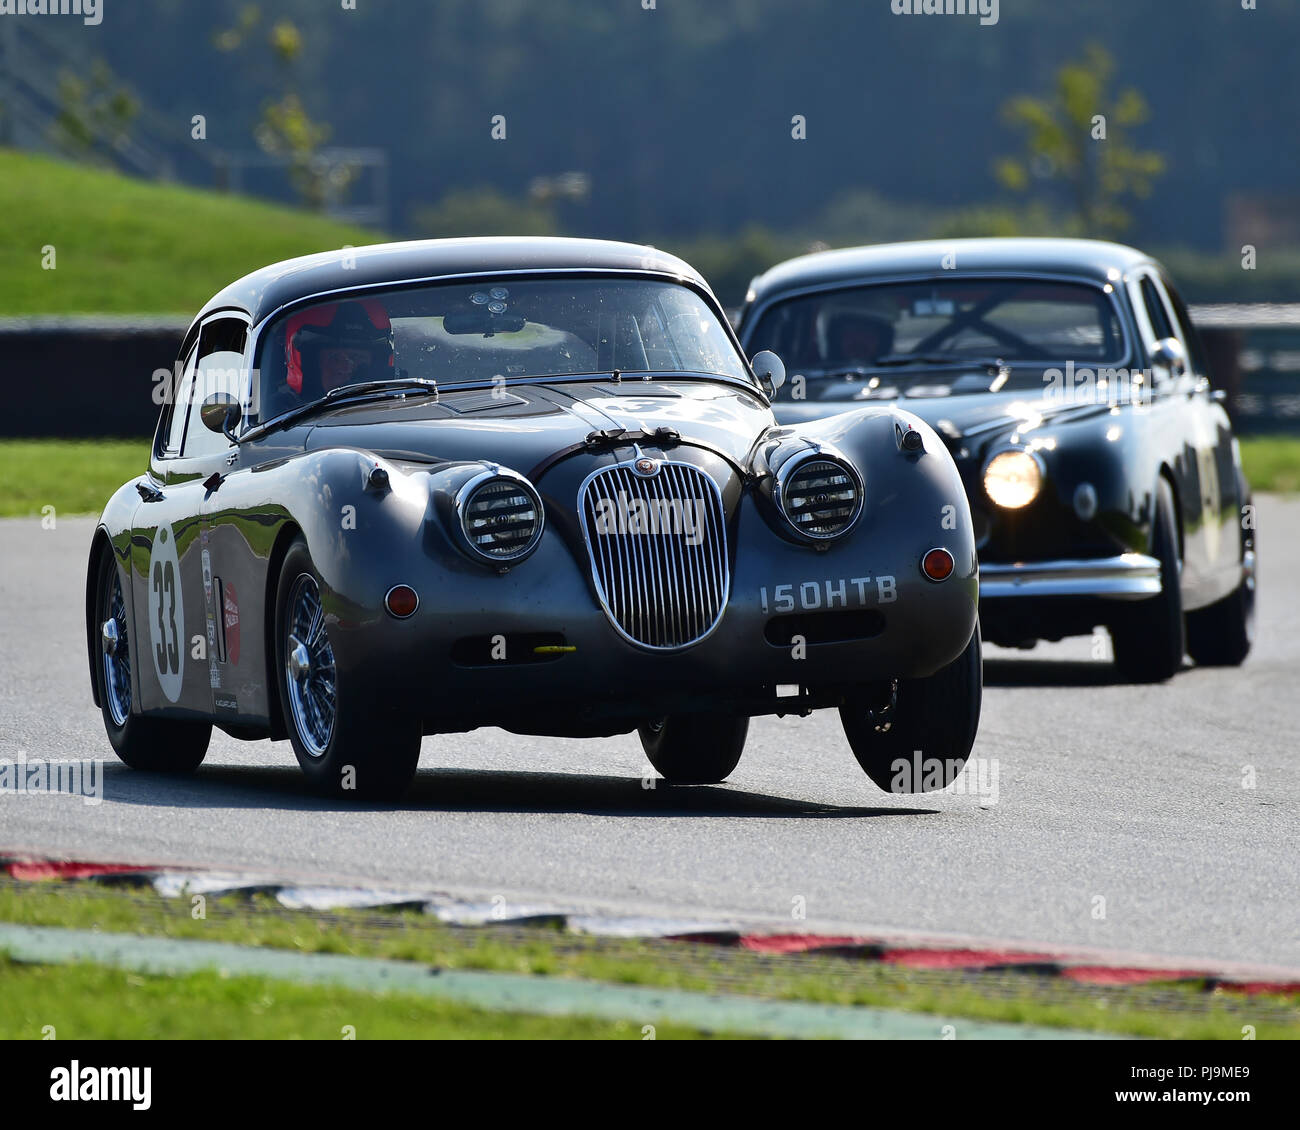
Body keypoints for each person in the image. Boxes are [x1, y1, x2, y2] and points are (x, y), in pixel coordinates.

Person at [284, 299, 395, 398]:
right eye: (335, 358)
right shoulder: (281, 415)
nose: (346, 369)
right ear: (309, 363)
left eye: (357, 357)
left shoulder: (399, 403)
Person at [824, 310, 895, 368]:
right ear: (837, 339)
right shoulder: (820, 375)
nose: (859, 340)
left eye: (867, 335)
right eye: (851, 334)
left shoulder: (895, 378)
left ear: (881, 341)